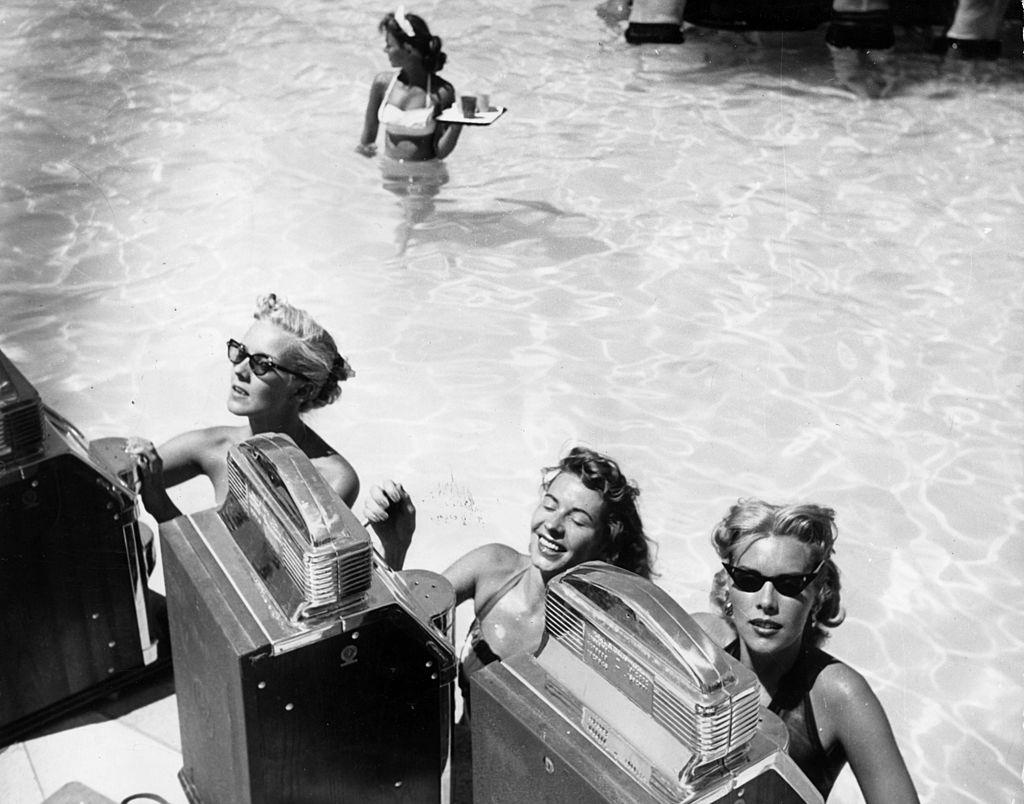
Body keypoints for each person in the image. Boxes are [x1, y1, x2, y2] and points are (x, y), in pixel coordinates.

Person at [363, 446, 656, 714]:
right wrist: (395, 547)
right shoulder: (493, 569)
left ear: (606, 544)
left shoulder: (600, 635)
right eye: (550, 505)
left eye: (577, 521)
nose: (552, 526)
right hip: (460, 764)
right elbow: (399, 637)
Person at [692, 499, 919, 803]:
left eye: (789, 584)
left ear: (817, 593)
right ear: (728, 587)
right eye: (748, 580)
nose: (767, 601)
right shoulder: (700, 644)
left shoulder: (839, 695)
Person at [125, 293, 359, 523]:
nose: (240, 370)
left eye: (261, 364)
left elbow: (250, 559)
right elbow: (115, 479)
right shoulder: (213, 446)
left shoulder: (331, 478)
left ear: (302, 390)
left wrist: (161, 506)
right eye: (240, 352)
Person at [356, 7, 463, 162]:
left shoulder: (441, 92)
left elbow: (440, 151)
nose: (385, 50)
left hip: (426, 180)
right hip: (389, 176)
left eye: (389, 45)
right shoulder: (383, 84)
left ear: (408, 49)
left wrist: (457, 125)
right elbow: (367, 141)